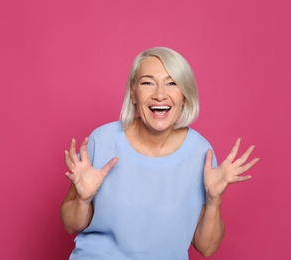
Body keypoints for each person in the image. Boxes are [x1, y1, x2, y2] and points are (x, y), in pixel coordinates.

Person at [60, 47, 259, 259]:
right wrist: (83, 200)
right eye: (147, 83)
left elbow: (207, 248)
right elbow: (70, 225)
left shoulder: (201, 153)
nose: (160, 95)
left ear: (185, 95)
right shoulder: (101, 140)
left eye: (172, 83)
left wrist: (214, 199)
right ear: (133, 93)